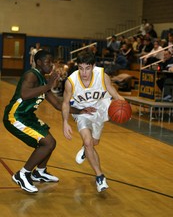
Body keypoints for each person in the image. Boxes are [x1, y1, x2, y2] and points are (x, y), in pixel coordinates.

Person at [3, 50, 95, 193]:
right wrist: (48, 85)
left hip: (27, 116)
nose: (50, 65)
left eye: (51, 62)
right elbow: (24, 94)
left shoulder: (42, 79)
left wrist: (80, 110)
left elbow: (58, 105)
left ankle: (39, 172)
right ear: (38, 62)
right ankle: (22, 174)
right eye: (47, 62)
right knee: (48, 143)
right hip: (15, 116)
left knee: (51, 142)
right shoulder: (31, 75)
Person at [62, 51, 124, 193]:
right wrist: (65, 122)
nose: (84, 72)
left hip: (100, 109)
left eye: (87, 68)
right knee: (89, 142)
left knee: (94, 143)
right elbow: (65, 103)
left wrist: (125, 107)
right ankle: (100, 177)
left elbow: (115, 94)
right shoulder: (71, 82)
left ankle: (86, 148)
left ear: (93, 66)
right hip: (83, 112)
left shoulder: (102, 76)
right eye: (81, 68)